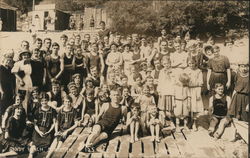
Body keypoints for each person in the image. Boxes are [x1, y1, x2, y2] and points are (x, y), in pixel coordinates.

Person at [29, 93, 56, 158]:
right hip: (38, 130)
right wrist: (39, 132)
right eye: (42, 101)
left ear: (48, 101)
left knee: (46, 146)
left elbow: (54, 123)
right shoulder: (37, 110)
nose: (44, 102)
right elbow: (35, 124)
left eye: (45, 100)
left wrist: (49, 131)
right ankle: (31, 155)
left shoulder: (52, 110)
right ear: (40, 101)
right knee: (34, 146)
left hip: (48, 130)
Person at [185, 57, 204, 131]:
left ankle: (194, 123)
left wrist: (192, 84)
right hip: (188, 91)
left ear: (195, 63)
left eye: (192, 63)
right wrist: (188, 84)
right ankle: (187, 123)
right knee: (188, 107)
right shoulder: (185, 71)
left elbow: (201, 83)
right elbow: (184, 81)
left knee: (195, 108)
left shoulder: (198, 71)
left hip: (196, 91)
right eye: (189, 63)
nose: (191, 65)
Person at [0, 52, 16, 124]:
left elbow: (13, 82)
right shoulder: (0, 68)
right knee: (2, 107)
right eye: (7, 60)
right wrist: (1, 90)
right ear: (4, 59)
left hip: (9, 90)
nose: (8, 61)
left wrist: (14, 92)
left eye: (10, 60)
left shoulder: (10, 69)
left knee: (9, 107)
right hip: (2, 90)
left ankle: (6, 124)